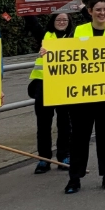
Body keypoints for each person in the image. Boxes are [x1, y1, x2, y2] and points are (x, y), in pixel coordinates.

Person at [61, 0, 105, 194]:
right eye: (98, 9)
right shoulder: (78, 31)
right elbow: (65, 55)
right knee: (79, 136)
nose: (102, 13)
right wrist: (48, 53)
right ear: (89, 12)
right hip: (82, 96)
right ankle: (74, 178)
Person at [28, 12, 74, 173]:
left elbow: (93, 23)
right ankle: (44, 159)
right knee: (43, 125)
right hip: (44, 86)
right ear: (52, 21)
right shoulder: (45, 36)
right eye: (58, 19)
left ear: (69, 22)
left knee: (64, 123)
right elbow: (31, 22)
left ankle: (64, 156)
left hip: (64, 86)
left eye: (65, 20)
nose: (61, 22)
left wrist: (82, 7)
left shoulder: (74, 37)